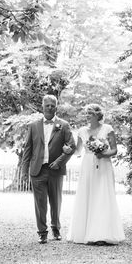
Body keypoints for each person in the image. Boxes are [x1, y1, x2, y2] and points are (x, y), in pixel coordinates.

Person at [21, 94, 76, 244]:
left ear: (56, 107)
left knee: (56, 201)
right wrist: (24, 171)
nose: (50, 108)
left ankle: (56, 229)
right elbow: (27, 150)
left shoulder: (63, 125)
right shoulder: (33, 126)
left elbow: (72, 146)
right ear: (42, 107)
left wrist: (59, 162)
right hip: (37, 170)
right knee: (40, 203)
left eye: (53, 105)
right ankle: (42, 232)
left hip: (55, 170)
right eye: (47, 106)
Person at [67, 103, 124, 245]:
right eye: (86, 113)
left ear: (97, 115)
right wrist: (68, 150)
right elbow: (78, 151)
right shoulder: (81, 131)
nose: (87, 115)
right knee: (88, 196)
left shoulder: (107, 129)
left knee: (102, 196)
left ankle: (102, 234)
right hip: (87, 166)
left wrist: (103, 154)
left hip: (103, 166)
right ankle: (85, 233)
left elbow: (114, 150)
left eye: (90, 113)